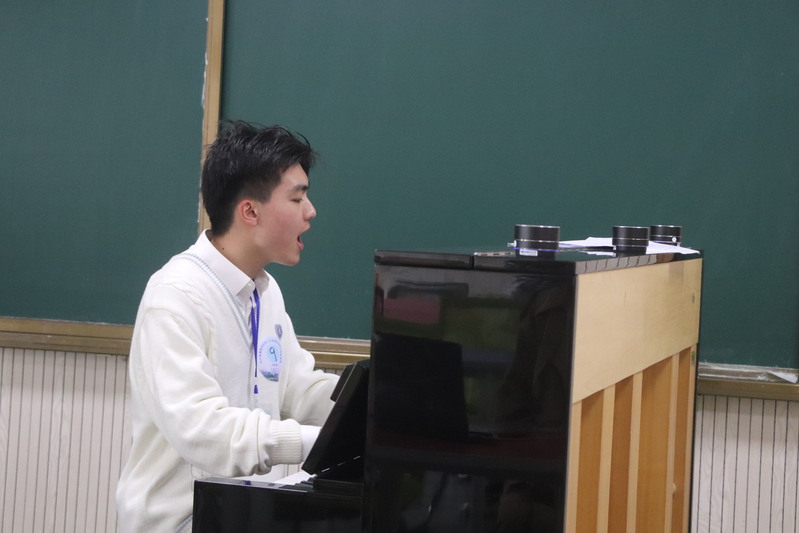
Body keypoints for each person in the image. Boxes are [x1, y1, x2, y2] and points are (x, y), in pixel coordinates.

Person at [116, 121, 339, 533]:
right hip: (182, 523)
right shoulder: (175, 295)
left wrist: (373, 408)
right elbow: (205, 431)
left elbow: (298, 389)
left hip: (248, 513)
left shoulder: (265, 292)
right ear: (249, 211)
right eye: (297, 198)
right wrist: (317, 441)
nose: (310, 212)